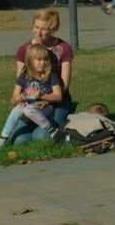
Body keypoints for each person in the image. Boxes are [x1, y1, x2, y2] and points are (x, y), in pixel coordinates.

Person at [10, 9, 75, 144]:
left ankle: (65, 125)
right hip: (31, 104)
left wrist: (46, 98)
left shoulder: (64, 48)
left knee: (41, 138)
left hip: (57, 102)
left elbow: (64, 84)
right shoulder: (24, 50)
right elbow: (21, 83)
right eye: (36, 27)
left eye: (44, 29)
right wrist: (26, 99)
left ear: (53, 29)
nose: (38, 32)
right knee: (19, 141)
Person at [0, 43, 64, 147]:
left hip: (45, 108)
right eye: (39, 60)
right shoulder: (24, 77)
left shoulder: (51, 76)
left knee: (29, 109)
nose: (43, 63)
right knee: (17, 109)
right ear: (30, 61)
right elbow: (12, 100)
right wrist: (21, 98)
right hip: (28, 107)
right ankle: (3, 138)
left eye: (45, 60)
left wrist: (41, 96)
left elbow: (58, 97)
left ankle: (53, 131)